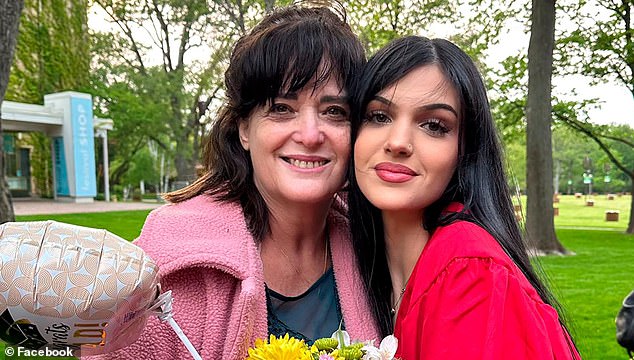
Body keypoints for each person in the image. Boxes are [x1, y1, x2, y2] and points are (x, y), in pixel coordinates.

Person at [85, 4, 379, 360]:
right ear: (243, 129)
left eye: (335, 111)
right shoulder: (171, 268)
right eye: (282, 108)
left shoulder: (378, 246)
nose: (310, 134)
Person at [347, 35, 581, 359]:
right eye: (378, 116)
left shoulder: (471, 275)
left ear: (464, 152)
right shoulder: (362, 268)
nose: (398, 142)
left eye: (433, 125)